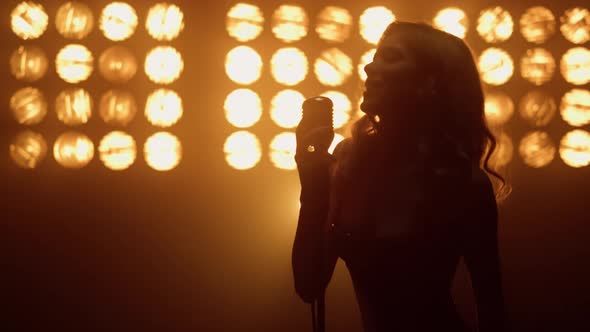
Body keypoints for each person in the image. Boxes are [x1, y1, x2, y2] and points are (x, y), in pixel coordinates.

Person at [292, 21, 508, 332]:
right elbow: (309, 284)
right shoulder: (348, 161)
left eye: (391, 58)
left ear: (429, 81)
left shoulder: (463, 183)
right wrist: (312, 187)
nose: (369, 67)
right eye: (375, 57)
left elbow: (492, 309)